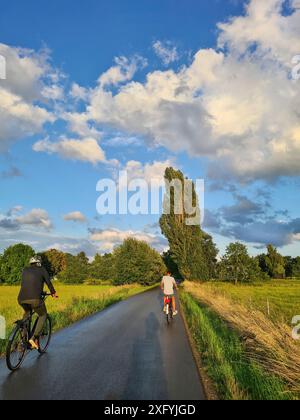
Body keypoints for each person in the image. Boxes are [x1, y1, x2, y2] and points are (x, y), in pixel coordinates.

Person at [18, 255, 58, 350]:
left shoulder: (25, 270)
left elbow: (28, 284)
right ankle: (33, 337)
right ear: (39, 263)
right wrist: (53, 293)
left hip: (21, 298)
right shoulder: (42, 269)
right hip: (35, 299)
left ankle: (23, 340)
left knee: (27, 313)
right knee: (43, 315)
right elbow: (48, 282)